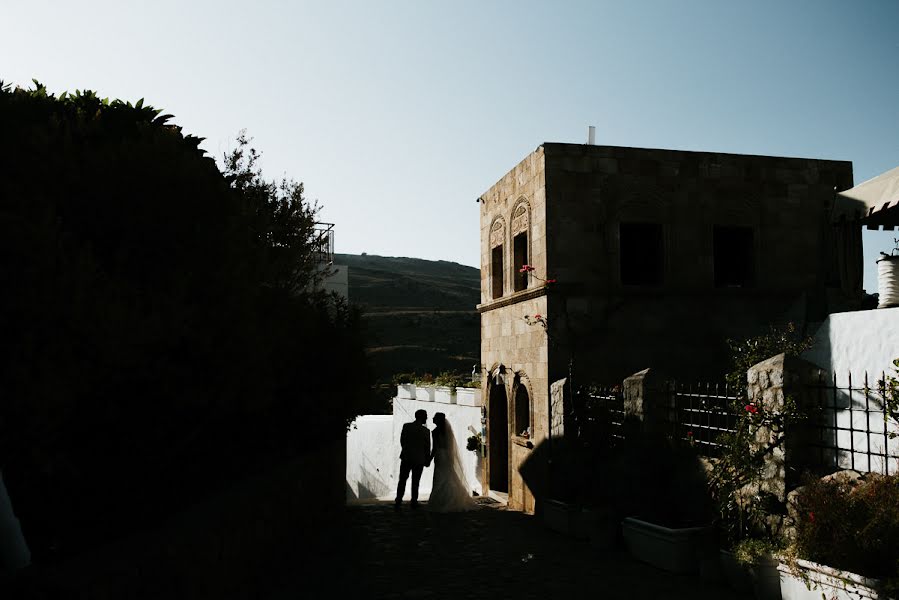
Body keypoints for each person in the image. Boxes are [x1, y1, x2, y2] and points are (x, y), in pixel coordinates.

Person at [427, 412, 477, 512]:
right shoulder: (447, 431)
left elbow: (435, 448)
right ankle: (451, 498)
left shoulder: (434, 432)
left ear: (438, 420)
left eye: (434, 417)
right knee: (449, 476)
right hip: (447, 456)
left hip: (440, 456)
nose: (432, 418)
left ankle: (440, 501)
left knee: (439, 477)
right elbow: (451, 446)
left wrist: (429, 459)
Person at [395, 409, 431, 509]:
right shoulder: (426, 431)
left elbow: (402, 441)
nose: (427, 418)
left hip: (406, 457)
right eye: (426, 416)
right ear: (422, 417)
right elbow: (427, 447)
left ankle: (398, 500)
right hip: (419, 459)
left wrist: (407, 451)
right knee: (416, 481)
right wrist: (427, 460)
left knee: (402, 480)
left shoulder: (406, 426)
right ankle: (414, 501)